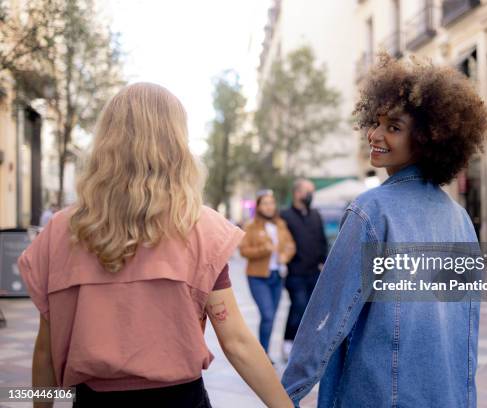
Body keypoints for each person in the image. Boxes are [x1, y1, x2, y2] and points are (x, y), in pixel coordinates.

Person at [18, 83, 292, 408]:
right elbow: (236, 342)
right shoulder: (201, 227)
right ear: (176, 143)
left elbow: (45, 351)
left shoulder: (60, 231)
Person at [282, 54, 487, 407]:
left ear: (427, 139)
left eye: (393, 127)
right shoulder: (460, 220)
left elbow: (327, 318)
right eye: (375, 123)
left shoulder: (371, 211)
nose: (375, 135)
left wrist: (287, 394)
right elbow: (465, 331)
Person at [240, 189, 296, 359]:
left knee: (271, 318)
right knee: (267, 315)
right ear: (258, 206)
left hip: (277, 276)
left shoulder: (280, 224)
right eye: (265, 203)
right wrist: (264, 249)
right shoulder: (251, 226)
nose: (269, 206)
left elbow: (290, 245)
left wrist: (284, 256)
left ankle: (265, 352)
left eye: (271, 203)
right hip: (258, 277)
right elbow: (244, 250)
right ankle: (262, 354)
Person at [279, 178, 328, 360]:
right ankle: (288, 342)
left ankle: (306, 345)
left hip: (314, 272)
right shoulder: (284, 216)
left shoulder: (315, 214)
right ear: (297, 193)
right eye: (309, 191)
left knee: (312, 309)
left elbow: (322, 240)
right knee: (298, 306)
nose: (311, 196)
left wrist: (324, 261)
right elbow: (282, 242)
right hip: (295, 273)